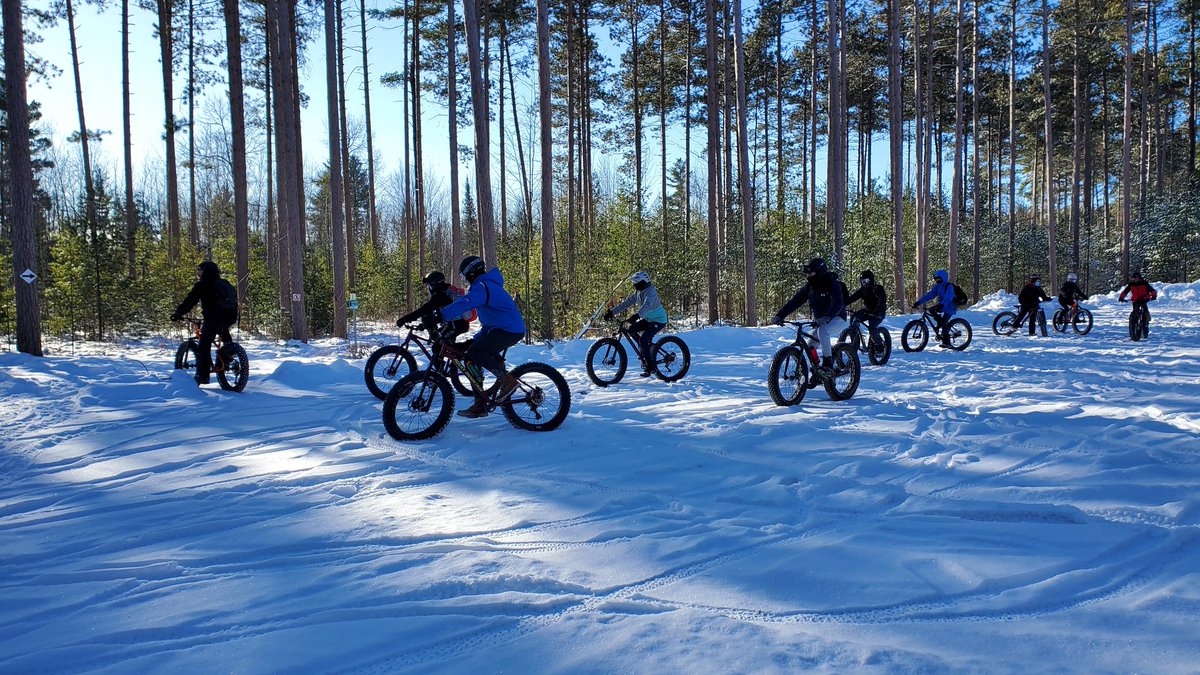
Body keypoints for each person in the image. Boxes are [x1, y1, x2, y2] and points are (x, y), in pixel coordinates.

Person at [434, 255, 527, 418]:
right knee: (471, 357)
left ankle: (507, 381)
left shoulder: (483, 287)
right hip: (500, 330)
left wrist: (441, 315)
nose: (465, 280)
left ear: (471, 273)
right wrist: (472, 341)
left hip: (510, 330)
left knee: (475, 353)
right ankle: (480, 403)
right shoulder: (485, 287)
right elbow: (489, 326)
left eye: (464, 276)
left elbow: (465, 303)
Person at [770, 257, 846, 371]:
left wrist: (827, 316)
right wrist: (780, 315)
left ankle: (827, 364)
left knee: (823, 331)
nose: (808, 276)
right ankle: (817, 371)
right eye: (808, 273)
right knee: (810, 346)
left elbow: (838, 302)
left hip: (837, 317)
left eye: (811, 273)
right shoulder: (810, 287)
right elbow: (795, 301)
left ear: (820, 272)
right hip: (820, 321)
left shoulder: (831, 283)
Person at [171, 260, 238, 385]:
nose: (198, 273)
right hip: (230, 317)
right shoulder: (224, 283)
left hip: (213, 318)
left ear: (205, 271)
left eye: (200, 270)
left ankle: (202, 375)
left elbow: (189, 302)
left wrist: (178, 313)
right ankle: (229, 353)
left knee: (204, 345)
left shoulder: (203, 285)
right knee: (223, 330)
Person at [603, 271, 670, 377]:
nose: (634, 285)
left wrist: (637, 316)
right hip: (648, 319)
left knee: (643, 340)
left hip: (659, 320)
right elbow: (626, 303)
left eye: (636, 282)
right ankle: (645, 349)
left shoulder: (651, 292)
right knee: (631, 330)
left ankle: (650, 366)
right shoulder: (638, 293)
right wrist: (611, 312)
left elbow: (647, 305)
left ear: (643, 282)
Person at [396, 271, 471, 345]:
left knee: (437, 347)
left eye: (429, 285)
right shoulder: (444, 293)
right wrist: (426, 324)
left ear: (434, 284)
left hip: (456, 325)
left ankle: (463, 355)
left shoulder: (440, 296)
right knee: (440, 344)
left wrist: (404, 319)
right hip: (454, 324)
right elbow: (435, 314)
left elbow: (424, 309)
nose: (429, 288)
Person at [911, 269, 957, 347]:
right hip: (942, 305)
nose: (937, 280)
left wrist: (941, 305)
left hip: (950, 306)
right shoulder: (937, 286)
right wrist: (918, 302)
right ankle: (939, 322)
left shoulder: (949, 286)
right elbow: (930, 295)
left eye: (939, 278)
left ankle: (947, 342)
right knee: (931, 310)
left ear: (943, 278)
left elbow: (948, 298)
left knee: (943, 323)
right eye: (936, 279)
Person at [845, 270, 887, 341]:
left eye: (866, 281)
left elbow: (882, 300)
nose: (865, 283)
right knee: (854, 317)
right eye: (863, 281)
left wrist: (878, 311)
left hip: (878, 313)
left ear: (871, 280)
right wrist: (841, 304)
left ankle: (879, 345)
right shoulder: (862, 290)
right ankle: (854, 342)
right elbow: (852, 298)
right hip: (867, 311)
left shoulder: (877, 288)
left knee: (872, 327)